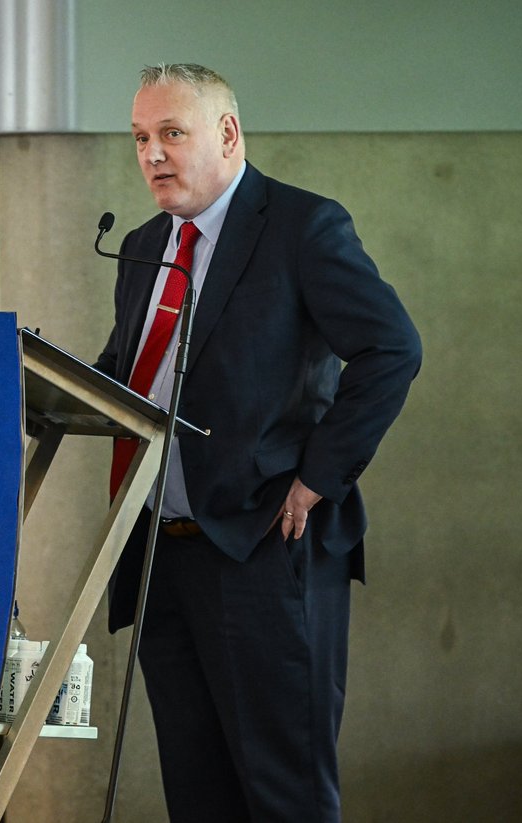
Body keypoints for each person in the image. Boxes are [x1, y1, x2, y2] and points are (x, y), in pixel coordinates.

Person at [94, 64, 422, 822]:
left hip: (266, 548)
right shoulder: (143, 245)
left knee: (284, 797)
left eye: (171, 133)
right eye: (140, 138)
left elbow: (392, 349)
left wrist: (319, 477)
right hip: (162, 557)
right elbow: (127, 375)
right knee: (197, 797)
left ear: (228, 134)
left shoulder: (302, 227)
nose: (151, 154)